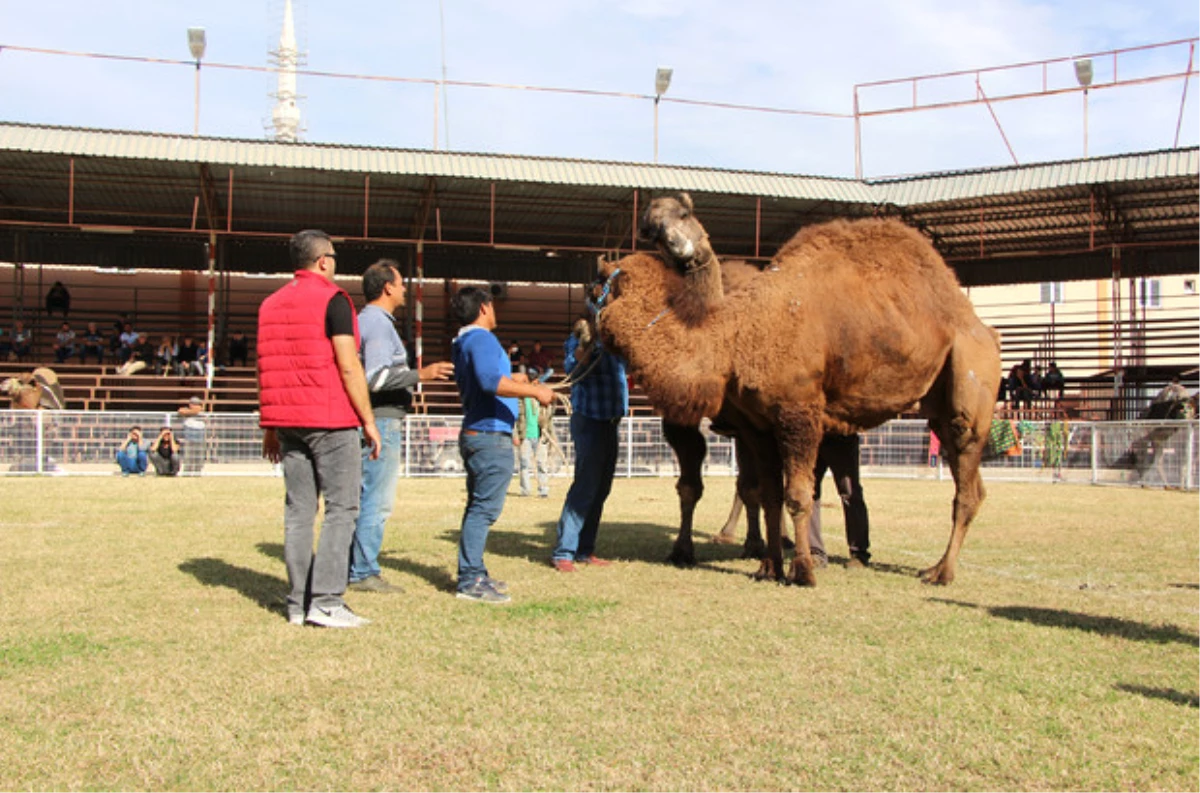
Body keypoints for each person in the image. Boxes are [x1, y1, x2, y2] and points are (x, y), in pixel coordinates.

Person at [257, 229, 381, 629]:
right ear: (323, 260)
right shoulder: (334, 299)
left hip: (288, 422)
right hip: (330, 418)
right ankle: (327, 600)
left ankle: (298, 602)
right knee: (342, 509)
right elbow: (348, 364)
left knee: (298, 512)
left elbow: (266, 367)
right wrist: (369, 420)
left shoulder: (270, 305)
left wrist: (270, 427)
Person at [348, 259, 454, 594]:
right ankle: (363, 571)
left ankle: (355, 565)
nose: (406, 288)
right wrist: (420, 374)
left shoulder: (366, 321)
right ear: (387, 287)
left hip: (374, 418)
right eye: (401, 283)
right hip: (382, 419)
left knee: (364, 496)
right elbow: (375, 377)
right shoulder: (378, 324)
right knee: (377, 500)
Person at [450, 286, 554, 603]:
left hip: (478, 432)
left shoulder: (464, 340)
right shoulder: (481, 339)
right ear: (484, 307)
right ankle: (470, 580)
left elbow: (491, 378)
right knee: (483, 510)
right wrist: (535, 392)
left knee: (477, 507)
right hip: (489, 435)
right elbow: (489, 382)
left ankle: (475, 571)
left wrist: (518, 381)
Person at [550, 305, 629, 572]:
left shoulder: (616, 343)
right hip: (590, 420)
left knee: (600, 489)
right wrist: (589, 346)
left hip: (609, 421)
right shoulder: (579, 340)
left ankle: (584, 549)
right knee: (586, 486)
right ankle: (564, 551)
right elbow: (574, 369)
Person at [806, 433, 871, 569]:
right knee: (809, 493)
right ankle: (814, 551)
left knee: (850, 493)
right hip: (813, 438)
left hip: (842, 436)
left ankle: (859, 553)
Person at [514, 393, 553, 497]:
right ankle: (525, 490)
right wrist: (516, 435)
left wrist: (550, 433)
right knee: (524, 463)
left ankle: (543, 490)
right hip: (525, 436)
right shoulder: (520, 399)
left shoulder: (541, 398)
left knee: (542, 463)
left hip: (540, 435)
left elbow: (549, 417)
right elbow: (515, 419)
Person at [178, 396, 207, 474]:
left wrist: (192, 412)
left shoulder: (202, 412)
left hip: (200, 435)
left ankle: (198, 471)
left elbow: (200, 413)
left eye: (197, 404)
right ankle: (187, 472)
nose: (195, 405)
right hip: (189, 435)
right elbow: (181, 411)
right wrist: (193, 411)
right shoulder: (186, 410)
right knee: (188, 455)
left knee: (199, 455)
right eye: (193, 404)